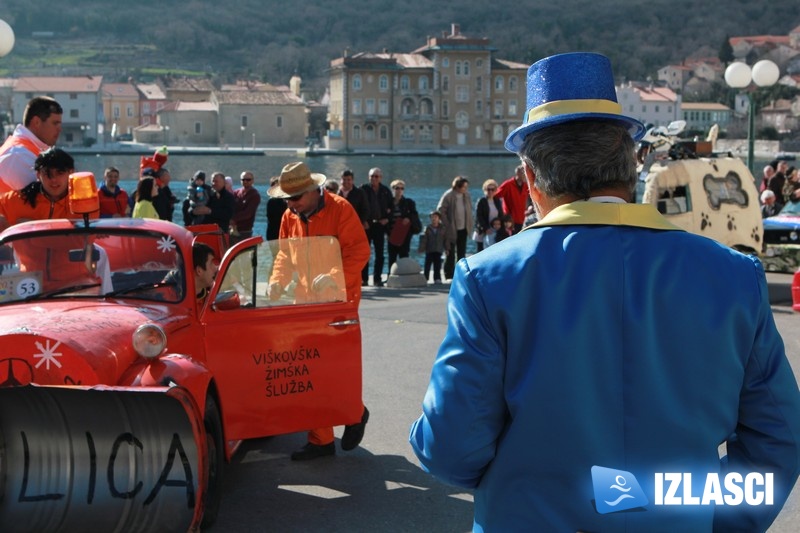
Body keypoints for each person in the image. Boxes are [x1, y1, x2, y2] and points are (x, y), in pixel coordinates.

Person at [409, 52, 800, 532]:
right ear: (632, 166)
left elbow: (450, 447)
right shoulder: (735, 275)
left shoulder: (488, 279)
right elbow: (777, 438)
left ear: (530, 179)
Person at [267, 161, 370, 461]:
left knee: (336, 367)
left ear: (313, 191)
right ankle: (321, 439)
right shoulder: (290, 216)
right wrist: (276, 282)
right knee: (309, 370)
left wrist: (335, 276)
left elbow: (359, 252)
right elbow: (284, 254)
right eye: (286, 198)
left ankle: (355, 414)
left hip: (339, 301)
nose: (290, 203)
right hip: (305, 304)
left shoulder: (341, 209)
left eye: (295, 197)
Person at [0, 147, 97, 228]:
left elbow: (80, 241)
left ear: (71, 173)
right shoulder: (22, 199)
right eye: (47, 174)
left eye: (60, 173)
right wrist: (7, 227)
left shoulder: (83, 202)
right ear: (38, 175)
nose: (54, 179)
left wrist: (32, 228)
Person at [0, 96, 63, 194]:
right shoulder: (18, 155)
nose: (59, 129)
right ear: (36, 122)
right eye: (55, 123)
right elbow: (45, 200)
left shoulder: (22, 150)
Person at [360, 167, 392, 286]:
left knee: (380, 253)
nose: (374, 178)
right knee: (365, 253)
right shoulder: (363, 189)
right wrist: (363, 221)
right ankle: (364, 278)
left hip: (379, 225)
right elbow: (359, 207)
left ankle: (377, 278)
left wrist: (387, 219)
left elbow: (391, 207)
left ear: (380, 178)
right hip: (367, 225)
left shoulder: (385, 191)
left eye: (376, 176)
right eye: (372, 176)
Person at [437, 176, 472, 280]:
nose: (465, 189)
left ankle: (460, 274)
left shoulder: (466, 195)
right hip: (451, 229)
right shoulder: (448, 195)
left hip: (464, 228)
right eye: (464, 187)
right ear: (457, 186)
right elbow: (440, 210)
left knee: (461, 252)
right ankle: (449, 275)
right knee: (450, 252)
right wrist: (447, 223)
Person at [387, 179, 421, 272]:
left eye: (402, 188)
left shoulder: (408, 202)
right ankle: (391, 275)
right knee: (392, 256)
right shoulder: (387, 203)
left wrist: (409, 218)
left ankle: (404, 273)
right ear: (392, 189)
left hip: (404, 234)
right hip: (391, 233)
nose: (399, 190)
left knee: (404, 254)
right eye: (397, 188)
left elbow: (414, 214)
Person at [495, 165, 529, 232]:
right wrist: (501, 213)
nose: (525, 175)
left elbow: (530, 198)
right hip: (509, 220)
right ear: (517, 173)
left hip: (522, 219)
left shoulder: (526, 186)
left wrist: (529, 208)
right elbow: (495, 196)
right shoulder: (507, 184)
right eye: (523, 173)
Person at [231, 170, 261, 244]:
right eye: (243, 179)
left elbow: (248, 213)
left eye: (248, 179)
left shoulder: (255, 195)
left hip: (245, 231)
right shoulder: (236, 193)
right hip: (232, 229)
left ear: (252, 181)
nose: (245, 181)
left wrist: (232, 219)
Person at [473, 179, 503, 252]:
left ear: (496, 190)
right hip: (483, 232)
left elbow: (501, 215)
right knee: (480, 252)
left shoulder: (497, 201)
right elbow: (478, 217)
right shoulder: (481, 201)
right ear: (485, 190)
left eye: (492, 189)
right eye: (488, 189)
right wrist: (486, 228)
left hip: (494, 231)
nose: (490, 191)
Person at [419, 210, 445, 284]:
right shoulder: (427, 228)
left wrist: (447, 248)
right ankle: (425, 278)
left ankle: (437, 278)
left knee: (437, 265)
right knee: (427, 265)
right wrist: (421, 249)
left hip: (438, 249)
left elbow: (445, 239)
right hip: (429, 249)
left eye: (435, 217)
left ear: (439, 218)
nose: (434, 219)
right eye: (432, 217)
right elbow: (424, 240)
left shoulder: (442, 228)